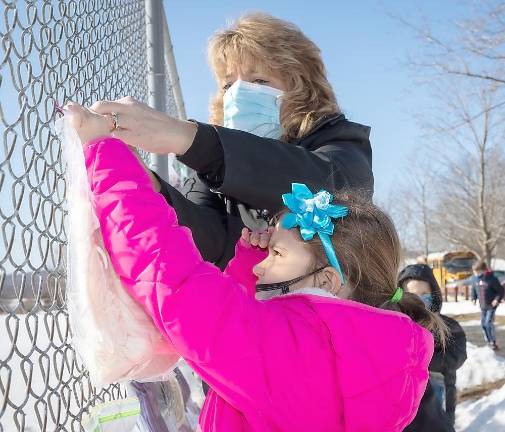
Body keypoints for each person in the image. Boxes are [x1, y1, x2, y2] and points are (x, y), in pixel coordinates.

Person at [66, 102, 443, 431]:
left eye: (276, 256)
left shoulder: (289, 351)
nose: (263, 268)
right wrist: (249, 264)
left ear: (328, 280)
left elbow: (174, 281)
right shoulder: (369, 356)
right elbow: (248, 336)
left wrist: (106, 155)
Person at [90, 13, 374, 269]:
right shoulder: (212, 168)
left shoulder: (338, 139)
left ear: (301, 86)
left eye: (259, 80)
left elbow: (333, 191)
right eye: (228, 84)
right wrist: (145, 183)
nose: (238, 93)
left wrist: (188, 138)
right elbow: (205, 240)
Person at [399, 264, 467, 429]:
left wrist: (420, 360)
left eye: (424, 295)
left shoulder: (448, 326)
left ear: (433, 296)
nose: (419, 301)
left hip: (440, 396)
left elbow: (456, 357)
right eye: (412, 295)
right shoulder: (397, 325)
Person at [471, 260, 504, 350]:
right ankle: (488, 340)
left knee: (488, 323)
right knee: (483, 324)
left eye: (478, 272)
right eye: (474, 272)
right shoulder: (475, 279)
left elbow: (501, 291)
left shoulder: (492, 279)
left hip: (491, 306)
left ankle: (493, 341)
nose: (476, 274)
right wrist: (473, 298)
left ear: (484, 270)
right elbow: (473, 289)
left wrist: (496, 300)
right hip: (483, 305)